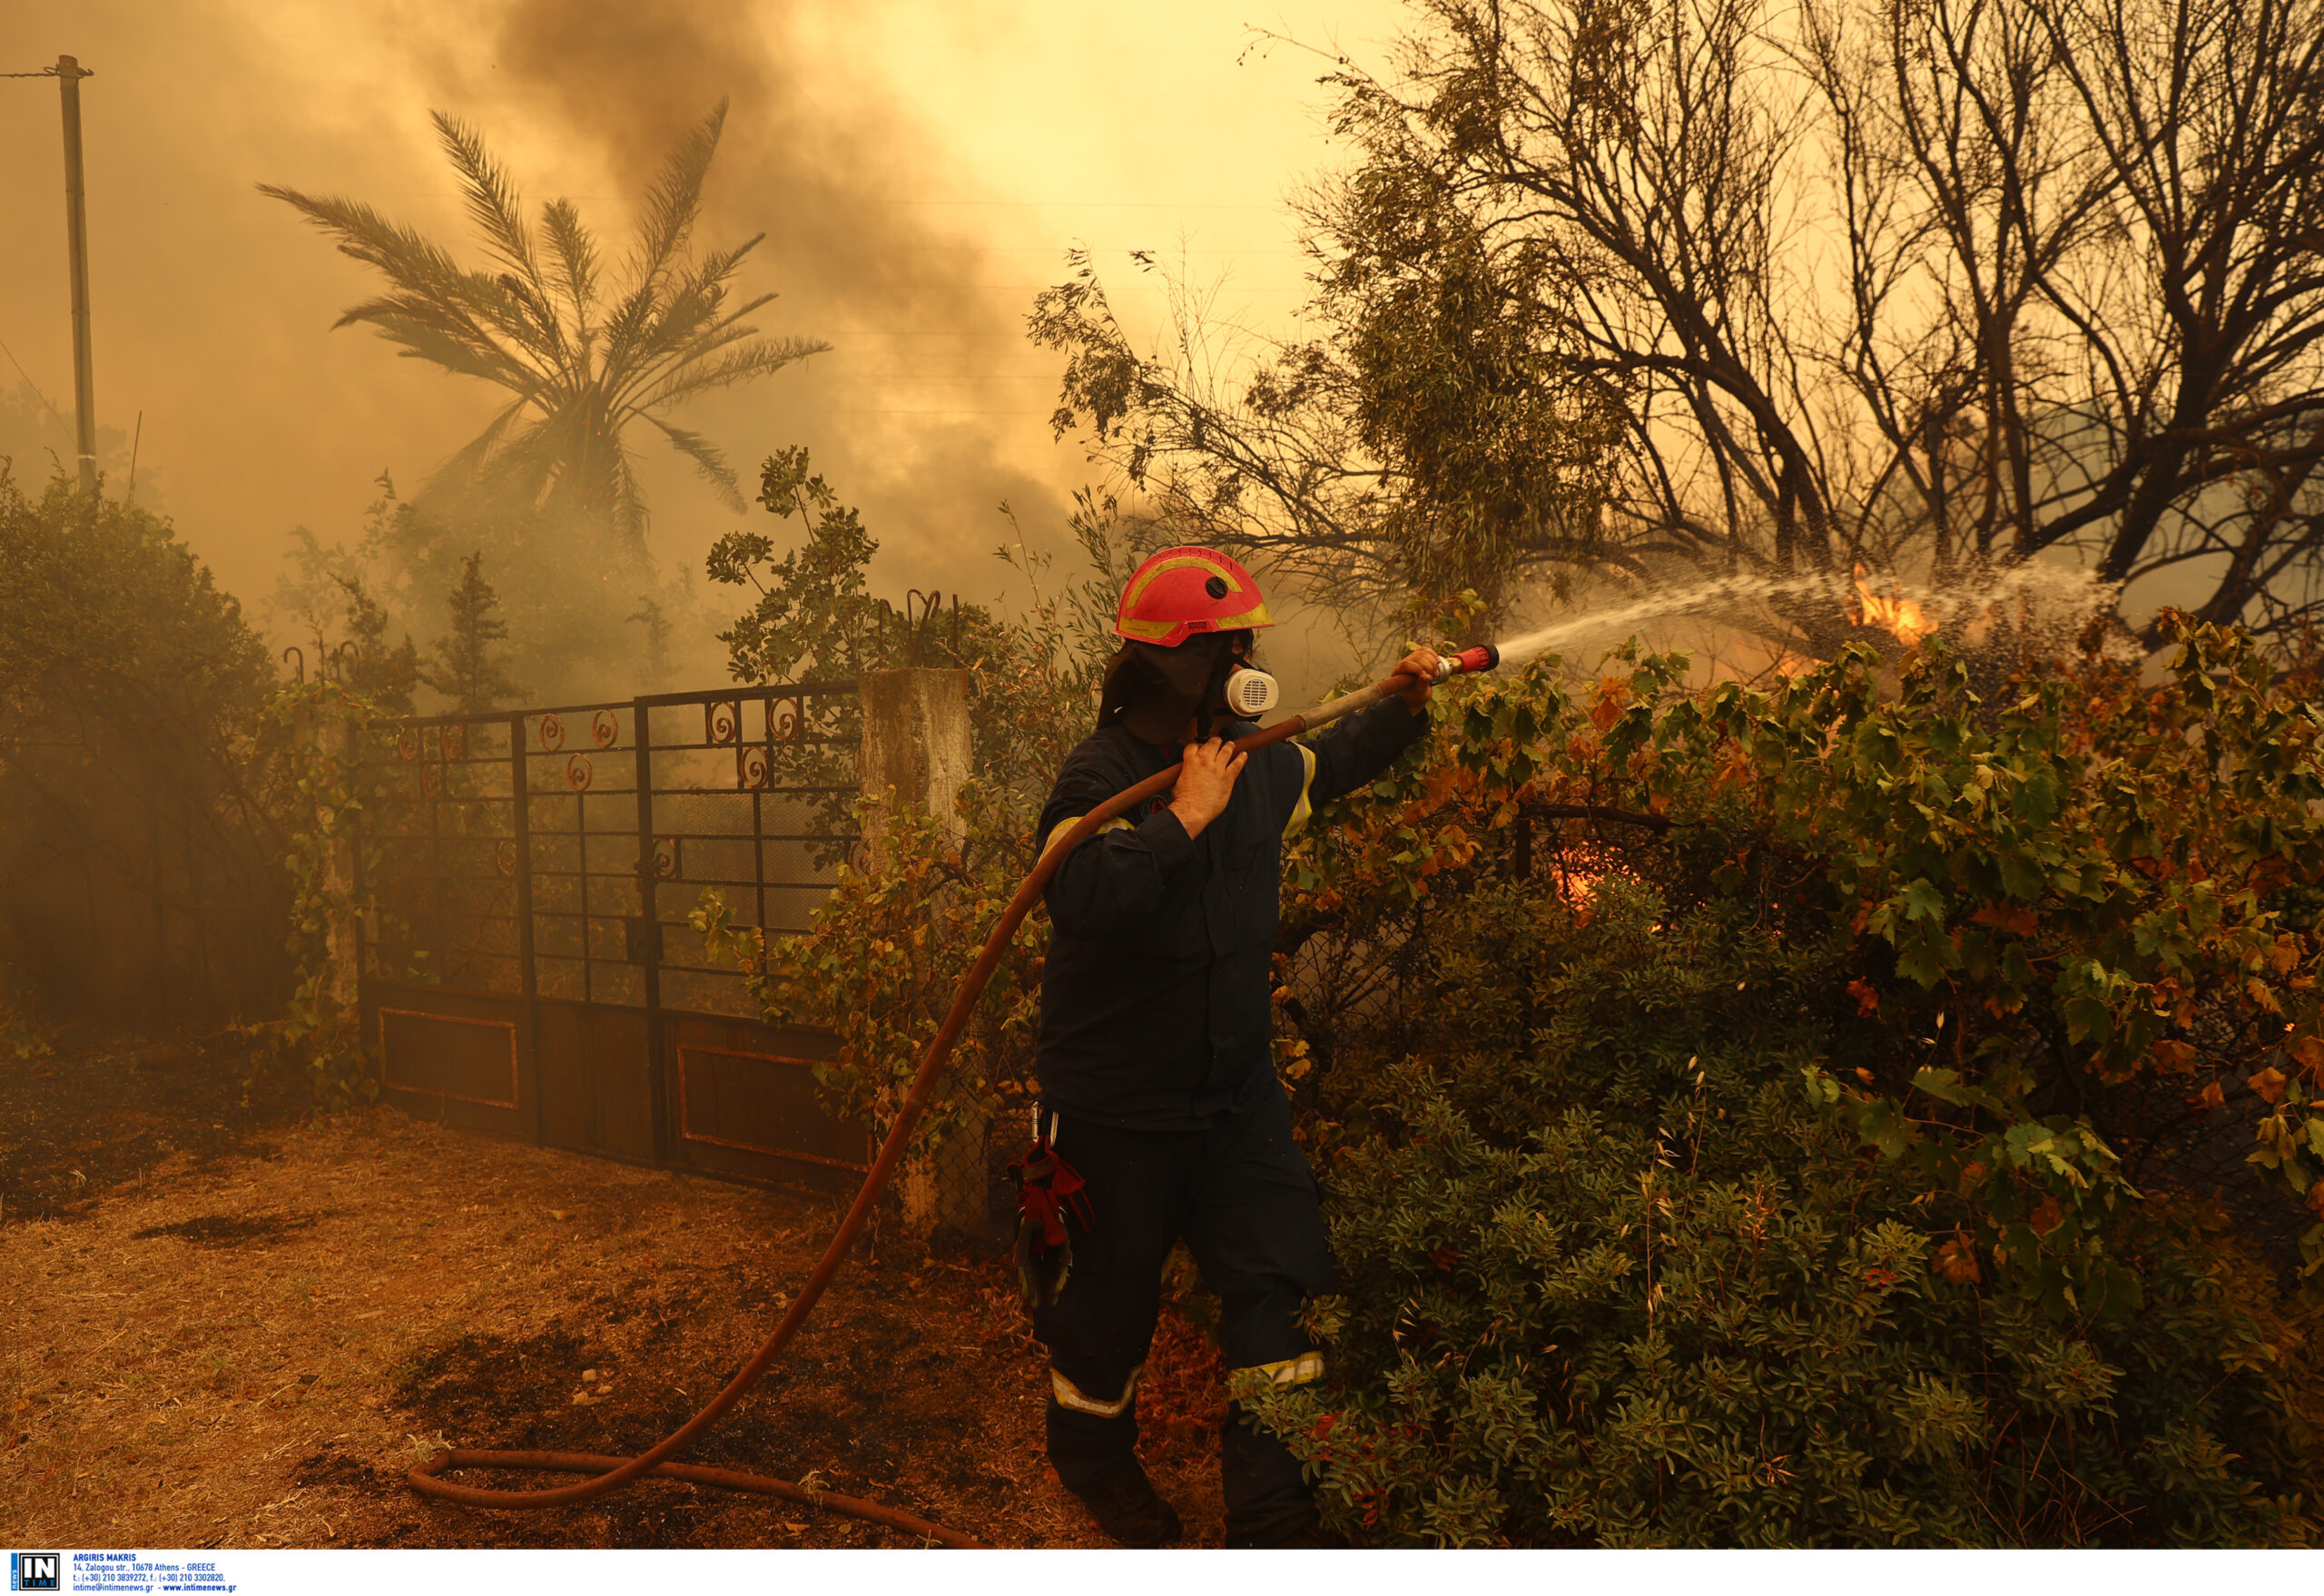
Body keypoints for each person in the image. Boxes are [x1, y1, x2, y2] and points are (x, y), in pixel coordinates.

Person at [1026, 545, 1441, 1548]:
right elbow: (1075, 897)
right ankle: (1095, 1464)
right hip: (1117, 1112)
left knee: (1280, 1291)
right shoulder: (1103, 777)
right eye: (1229, 649)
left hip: (1231, 1103)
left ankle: (1272, 1519)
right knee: (1104, 1316)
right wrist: (1180, 821)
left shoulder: (1255, 765)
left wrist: (1402, 701)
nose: (1248, 664)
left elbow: (1333, 762)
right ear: (1174, 665)